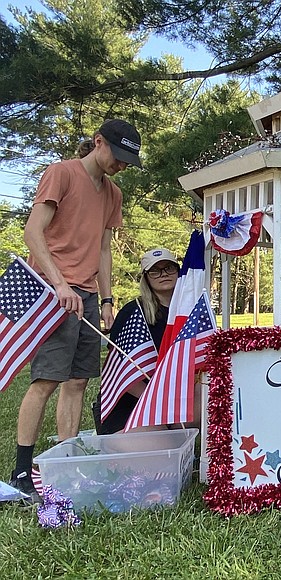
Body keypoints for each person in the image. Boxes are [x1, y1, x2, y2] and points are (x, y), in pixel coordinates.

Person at [9, 118, 142, 502]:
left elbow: (103, 250)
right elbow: (33, 233)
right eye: (116, 156)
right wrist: (60, 284)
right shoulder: (61, 173)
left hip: (84, 294)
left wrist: (106, 299)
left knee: (79, 381)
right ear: (98, 142)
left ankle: (66, 460)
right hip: (50, 291)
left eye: (126, 161)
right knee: (47, 380)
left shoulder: (113, 194)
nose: (120, 165)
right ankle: (21, 470)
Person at [92, 248, 179, 434]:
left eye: (169, 268)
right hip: (130, 406)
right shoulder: (132, 313)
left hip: (171, 398)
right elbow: (121, 372)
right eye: (155, 270)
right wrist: (159, 405)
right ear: (146, 277)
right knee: (161, 441)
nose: (163, 274)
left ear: (178, 271)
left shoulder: (189, 312)